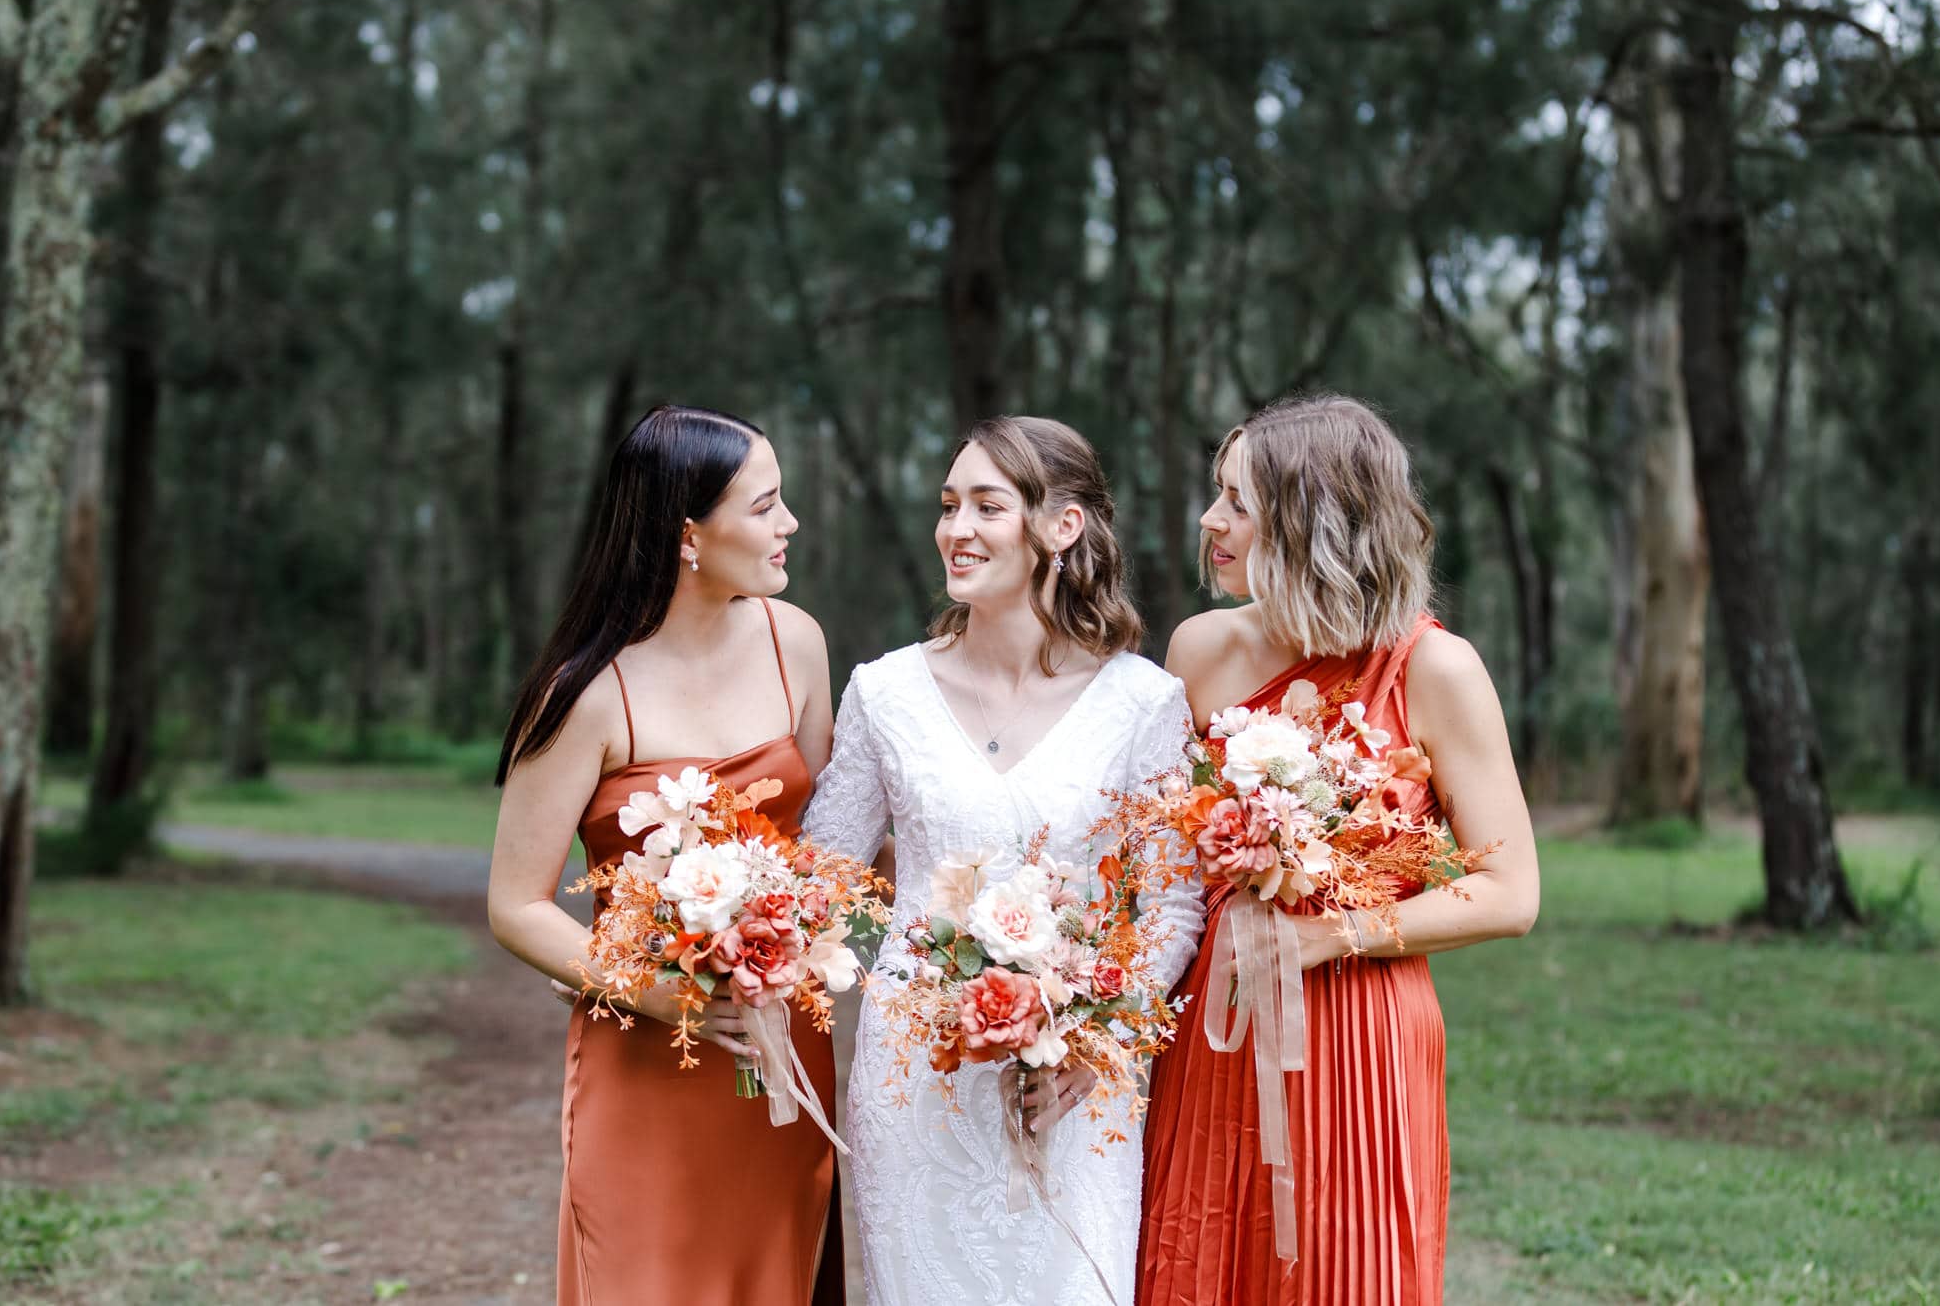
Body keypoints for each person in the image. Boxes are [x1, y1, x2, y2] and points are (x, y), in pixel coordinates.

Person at [1137, 393, 1540, 1306]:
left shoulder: (1435, 670)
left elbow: (1512, 890)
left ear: (1313, 519)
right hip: (1219, 1019)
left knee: (1343, 1268)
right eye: (1216, 492)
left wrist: (1332, 934)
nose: (1211, 520)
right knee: (1202, 1258)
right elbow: (1154, 857)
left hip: (1361, 1028)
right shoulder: (1197, 650)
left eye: (1237, 500)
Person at [802, 416, 1202, 1306]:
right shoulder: (885, 691)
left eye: (988, 505)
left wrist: (1097, 1043)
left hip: (1073, 1087)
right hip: (915, 1078)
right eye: (949, 506)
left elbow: (1172, 906)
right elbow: (822, 875)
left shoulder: (1144, 703)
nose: (957, 529)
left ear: (1061, 527)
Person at [487, 405, 843, 1306]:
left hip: (780, 1045)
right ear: (691, 533)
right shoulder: (586, 695)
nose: (788, 522)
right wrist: (658, 991)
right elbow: (516, 904)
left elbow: (826, 846)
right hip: (649, 1055)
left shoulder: (793, 641)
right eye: (765, 505)